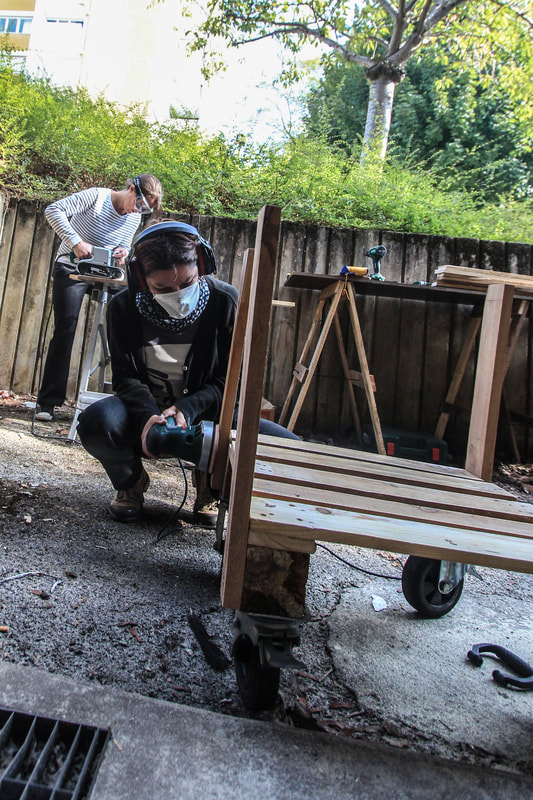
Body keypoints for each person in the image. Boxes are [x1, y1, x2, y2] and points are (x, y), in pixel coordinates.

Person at [76, 220, 299, 525]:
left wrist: (187, 408)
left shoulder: (226, 303)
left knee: (288, 448)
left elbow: (230, 381)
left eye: (188, 282)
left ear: (202, 265)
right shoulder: (122, 308)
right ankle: (130, 483)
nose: (178, 294)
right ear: (141, 279)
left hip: (208, 414)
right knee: (95, 422)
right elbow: (125, 377)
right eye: (163, 288)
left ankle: (211, 485)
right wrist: (148, 417)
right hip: (145, 411)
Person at [35, 174, 163, 422]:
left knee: (131, 316)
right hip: (72, 268)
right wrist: (75, 241)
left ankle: (132, 399)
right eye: (138, 203)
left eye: (143, 209)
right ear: (130, 189)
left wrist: (122, 252)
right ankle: (48, 402)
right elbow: (53, 210)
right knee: (66, 326)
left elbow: (123, 248)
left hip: (105, 274)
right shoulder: (96, 197)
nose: (137, 210)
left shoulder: (133, 217)